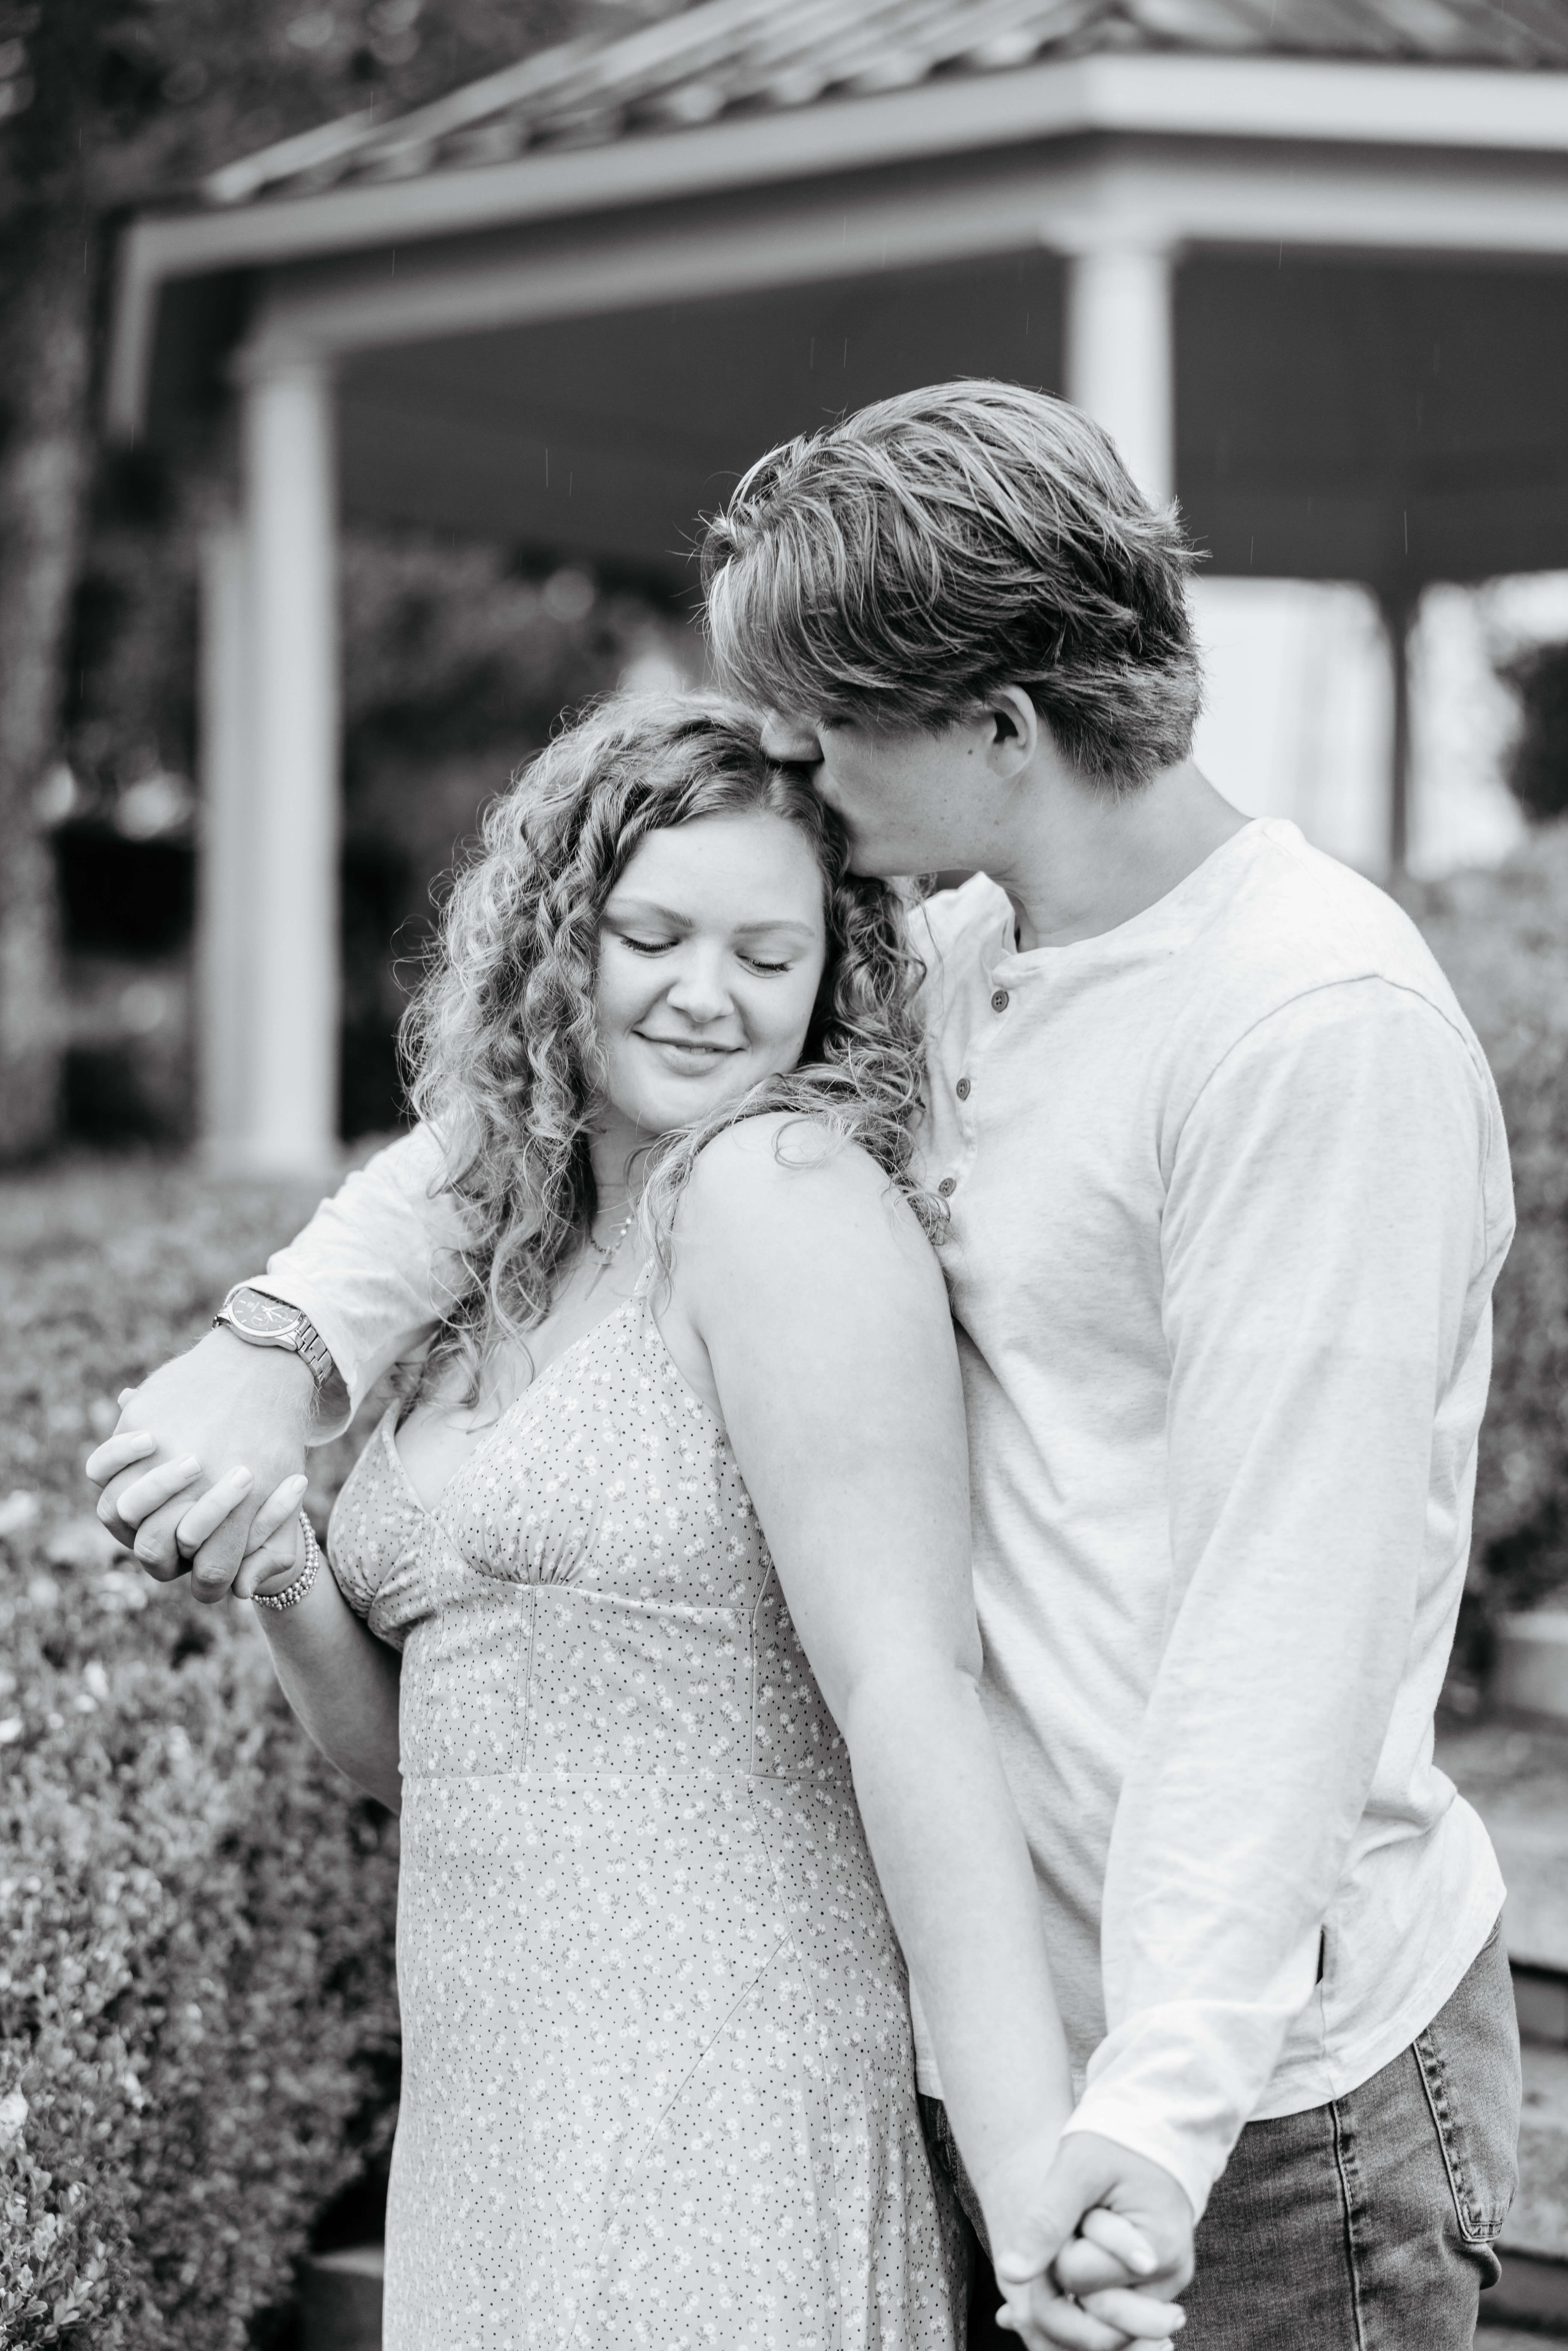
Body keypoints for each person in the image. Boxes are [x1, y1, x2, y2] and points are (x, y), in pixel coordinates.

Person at [93, 381, 1522, 2347]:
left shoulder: (1307, 1032)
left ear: (997, 729)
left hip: (1262, 2096)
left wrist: (1148, 2115)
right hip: (990, 2040)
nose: (789, 762)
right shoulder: (954, 962)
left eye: (830, 729)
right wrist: (281, 1344)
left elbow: (1291, 1627)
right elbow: (519, 1114)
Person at [92, 693, 1182, 2351]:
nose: (702, 995)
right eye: (652, 934)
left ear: (836, 973)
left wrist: (1028, 2148)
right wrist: (284, 1571)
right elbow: (432, 1760)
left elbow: (911, 1689)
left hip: (723, 2097)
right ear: (558, 941)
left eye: (766, 953)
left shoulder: (778, 1200)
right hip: (493, 2110)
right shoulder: (498, 1240)